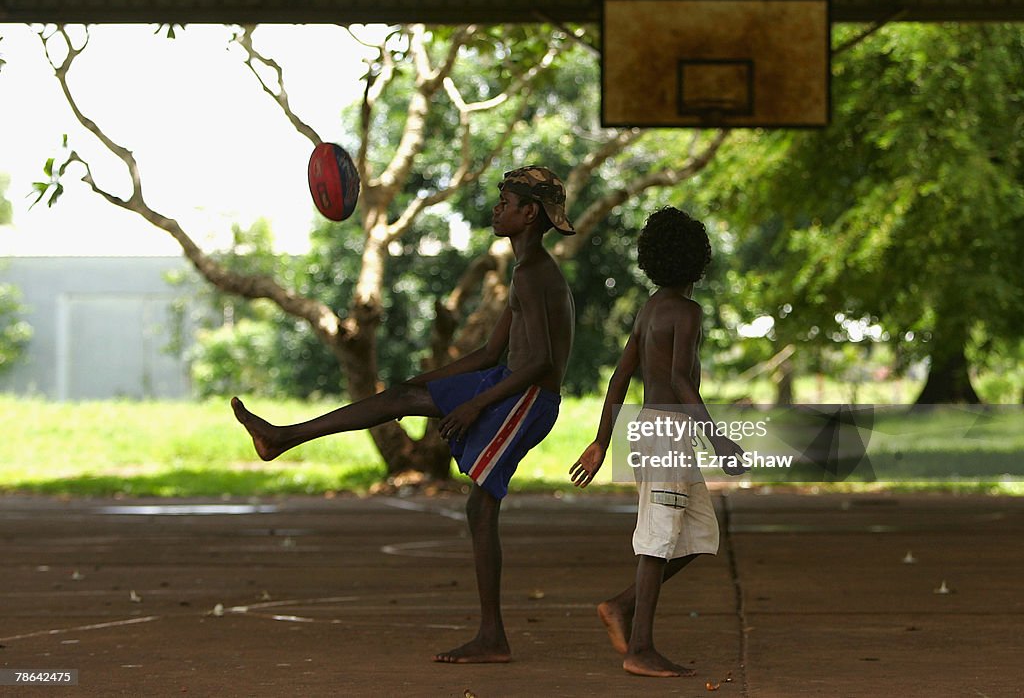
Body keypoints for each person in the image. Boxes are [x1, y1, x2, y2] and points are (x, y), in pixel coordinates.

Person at [231, 165, 575, 664]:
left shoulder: (534, 272)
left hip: (526, 400)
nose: (498, 207)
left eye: (507, 201)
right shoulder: (526, 270)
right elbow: (488, 353)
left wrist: (475, 402)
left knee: (481, 508)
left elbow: (541, 362)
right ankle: (282, 437)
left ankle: (492, 638)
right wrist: (430, 381)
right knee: (400, 397)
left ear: (529, 214)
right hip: (504, 387)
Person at [569, 206, 747, 678]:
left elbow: (619, 379)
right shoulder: (687, 312)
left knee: (698, 534)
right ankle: (640, 648)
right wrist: (720, 441)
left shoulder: (650, 309)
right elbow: (680, 381)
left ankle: (621, 606)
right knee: (657, 541)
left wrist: (602, 441)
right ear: (699, 261)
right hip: (667, 434)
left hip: (653, 429)